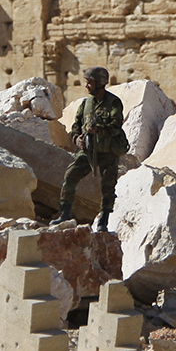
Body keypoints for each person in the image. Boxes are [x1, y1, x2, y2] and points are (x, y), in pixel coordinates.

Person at [53, 66, 126, 231]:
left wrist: (98, 129)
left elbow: (116, 127)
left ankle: (103, 221)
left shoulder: (113, 103)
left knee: (108, 187)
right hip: (88, 150)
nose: (86, 86)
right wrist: (76, 139)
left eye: (90, 83)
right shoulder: (85, 104)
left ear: (100, 83)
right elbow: (75, 127)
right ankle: (65, 214)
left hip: (108, 151)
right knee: (70, 176)